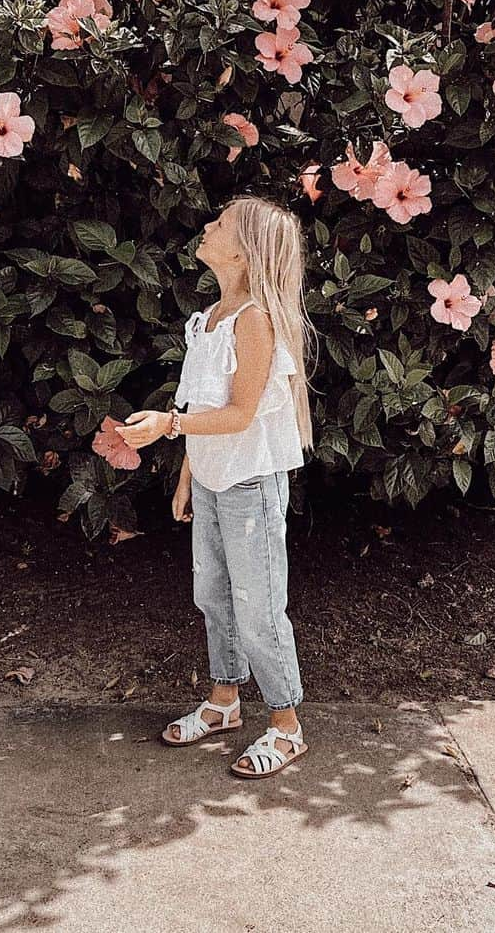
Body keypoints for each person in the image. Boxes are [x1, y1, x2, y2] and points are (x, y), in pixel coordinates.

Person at [115, 194, 318, 779]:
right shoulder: (208, 320)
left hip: (250, 485)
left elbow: (240, 414)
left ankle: (286, 727)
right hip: (211, 480)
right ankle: (225, 701)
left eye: (220, 223)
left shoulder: (255, 319)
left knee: (259, 608)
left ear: (245, 251)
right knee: (213, 595)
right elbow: (202, 405)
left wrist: (167, 427)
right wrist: (186, 474)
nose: (207, 226)